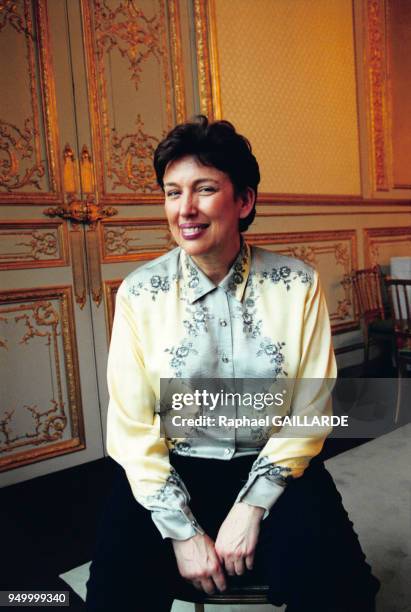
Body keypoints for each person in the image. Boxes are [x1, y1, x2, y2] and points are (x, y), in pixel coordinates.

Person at [86, 116, 380, 611]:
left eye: (203, 189)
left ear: (243, 201)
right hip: (172, 467)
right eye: (172, 192)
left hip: (279, 466)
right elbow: (132, 427)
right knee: (113, 595)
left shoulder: (297, 284)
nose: (185, 210)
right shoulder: (139, 293)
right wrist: (182, 532)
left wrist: (251, 506)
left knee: (342, 593)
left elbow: (310, 410)